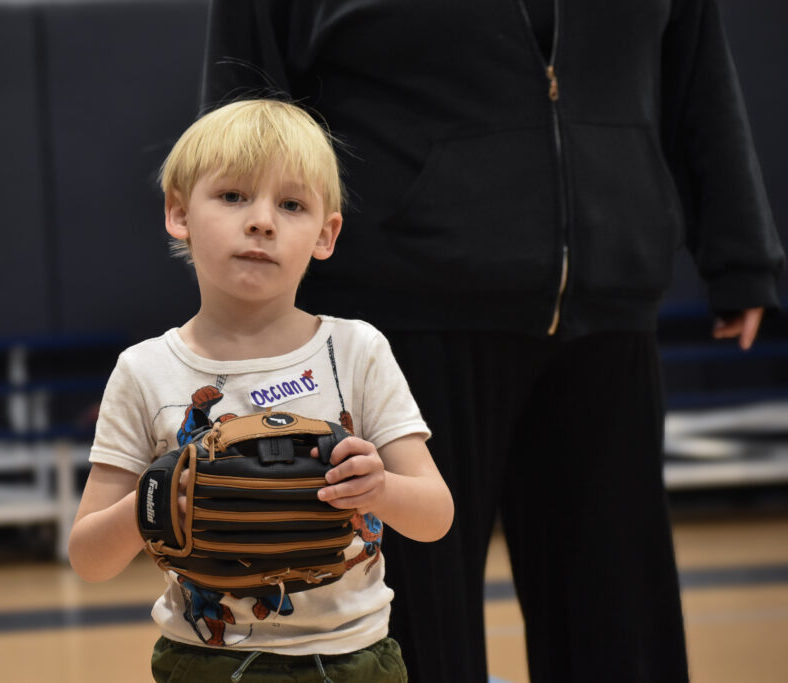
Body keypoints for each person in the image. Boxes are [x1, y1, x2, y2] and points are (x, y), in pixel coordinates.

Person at [201, 2, 785, 682]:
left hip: (607, 308)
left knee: (619, 628)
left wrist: (740, 248)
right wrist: (243, 294)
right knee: (415, 639)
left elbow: (695, 58)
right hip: (400, 320)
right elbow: (242, 106)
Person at [68, 98, 454, 682]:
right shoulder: (144, 371)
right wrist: (154, 498)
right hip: (202, 661)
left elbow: (436, 516)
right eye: (233, 196)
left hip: (353, 660)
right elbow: (89, 560)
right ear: (179, 214)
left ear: (325, 236)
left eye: (292, 204)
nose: (262, 220)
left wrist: (381, 487)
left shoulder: (357, 351)